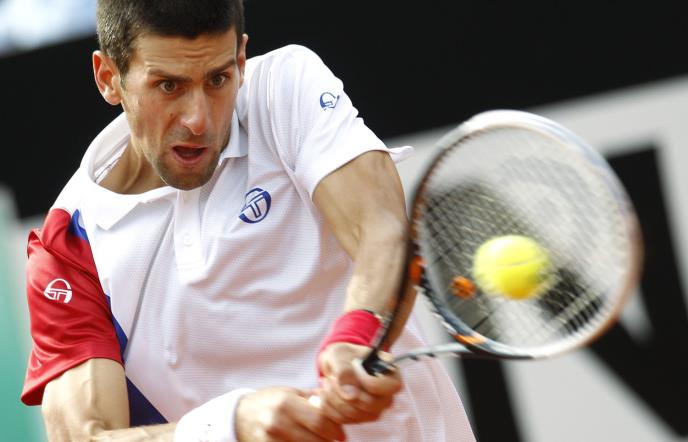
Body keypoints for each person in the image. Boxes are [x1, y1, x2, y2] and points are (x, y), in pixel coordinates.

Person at [21, 0, 476, 440]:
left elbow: (380, 229)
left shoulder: (282, 87)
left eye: (218, 79)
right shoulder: (69, 245)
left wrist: (358, 333)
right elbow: (85, 436)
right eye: (168, 86)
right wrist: (229, 427)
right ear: (108, 78)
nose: (198, 119)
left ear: (241, 58)